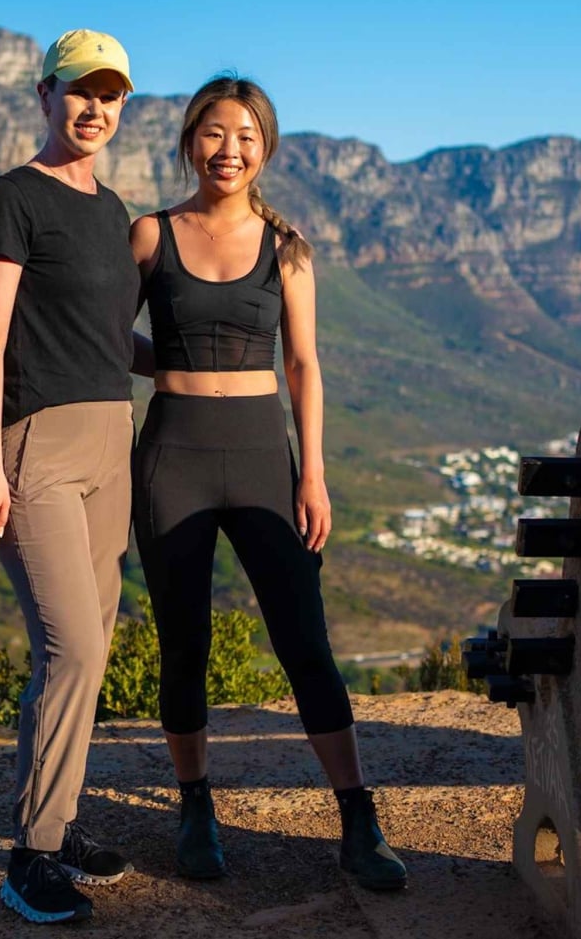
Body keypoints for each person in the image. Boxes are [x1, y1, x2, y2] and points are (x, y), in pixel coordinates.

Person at [129, 74, 408, 891]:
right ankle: (195, 806)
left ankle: (357, 816)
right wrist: (172, 365)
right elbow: (104, 335)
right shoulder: (149, 235)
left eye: (246, 136)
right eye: (215, 133)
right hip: (172, 456)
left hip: (263, 456)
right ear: (191, 140)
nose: (230, 149)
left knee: (304, 639)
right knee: (184, 642)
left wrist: (312, 472)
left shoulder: (288, 246)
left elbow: (304, 365)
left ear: (266, 148)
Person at [0, 28, 148, 925]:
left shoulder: (112, 211)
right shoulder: (10, 200)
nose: (94, 108)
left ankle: (58, 819)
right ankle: (29, 858)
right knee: (72, 647)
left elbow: (108, 337)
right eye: (80, 91)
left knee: (87, 647)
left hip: (112, 442)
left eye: (110, 95)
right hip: (37, 446)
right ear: (44, 94)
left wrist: (201, 361)